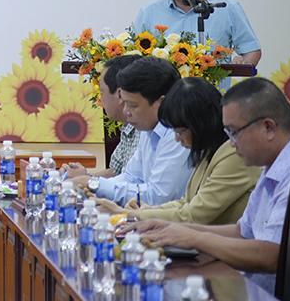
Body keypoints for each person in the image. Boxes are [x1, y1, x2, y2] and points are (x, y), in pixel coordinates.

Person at [132, 78, 290, 280]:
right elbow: (242, 232)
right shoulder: (275, 163)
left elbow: (272, 256)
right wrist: (174, 229)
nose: (231, 143)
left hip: (267, 297)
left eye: (234, 132)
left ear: (268, 127)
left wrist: (195, 238)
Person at [97, 78, 259, 224]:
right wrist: (145, 211)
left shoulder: (233, 155)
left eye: (180, 131)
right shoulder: (208, 151)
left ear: (200, 126)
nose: (176, 139)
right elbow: (186, 202)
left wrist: (132, 214)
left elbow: (194, 215)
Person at [74, 56, 190, 207]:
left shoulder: (179, 135)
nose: (126, 112)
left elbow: (157, 197)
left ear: (161, 103)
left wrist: (95, 184)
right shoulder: (148, 128)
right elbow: (131, 178)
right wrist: (90, 185)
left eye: (133, 105)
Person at [66, 56, 144, 179]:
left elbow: (131, 182)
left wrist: (87, 181)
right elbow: (116, 171)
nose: (100, 99)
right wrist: (85, 177)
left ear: (120, 95)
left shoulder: (144, 130)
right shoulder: (128, 127)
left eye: (102, 92)